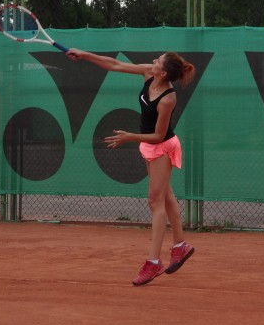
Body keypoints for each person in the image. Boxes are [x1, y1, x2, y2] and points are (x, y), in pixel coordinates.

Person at [66, 48, 196, 286]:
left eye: (158, 61)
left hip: (161, 146)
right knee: (165, 194)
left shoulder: (168, 98)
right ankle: (180, 246)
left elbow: (158, 135)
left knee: (155, 201)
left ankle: (153, 262)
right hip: (148, 145)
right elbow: (114, 65)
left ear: (163, 72)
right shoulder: (149, 73)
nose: (153, 61)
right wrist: (84, 55)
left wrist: (129, 137)